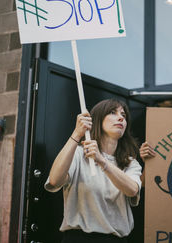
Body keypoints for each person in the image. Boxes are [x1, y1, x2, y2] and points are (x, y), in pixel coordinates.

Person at [44, 99, 142, 243]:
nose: (121, 117)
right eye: (112, 112)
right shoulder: (78, 154)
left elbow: (132, 190)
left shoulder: (130, 163)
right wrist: (77, 134)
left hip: (116, 239)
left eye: (123, 115)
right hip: (78, 238)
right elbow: (54, 180)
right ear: (97, 120)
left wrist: (102, 161)